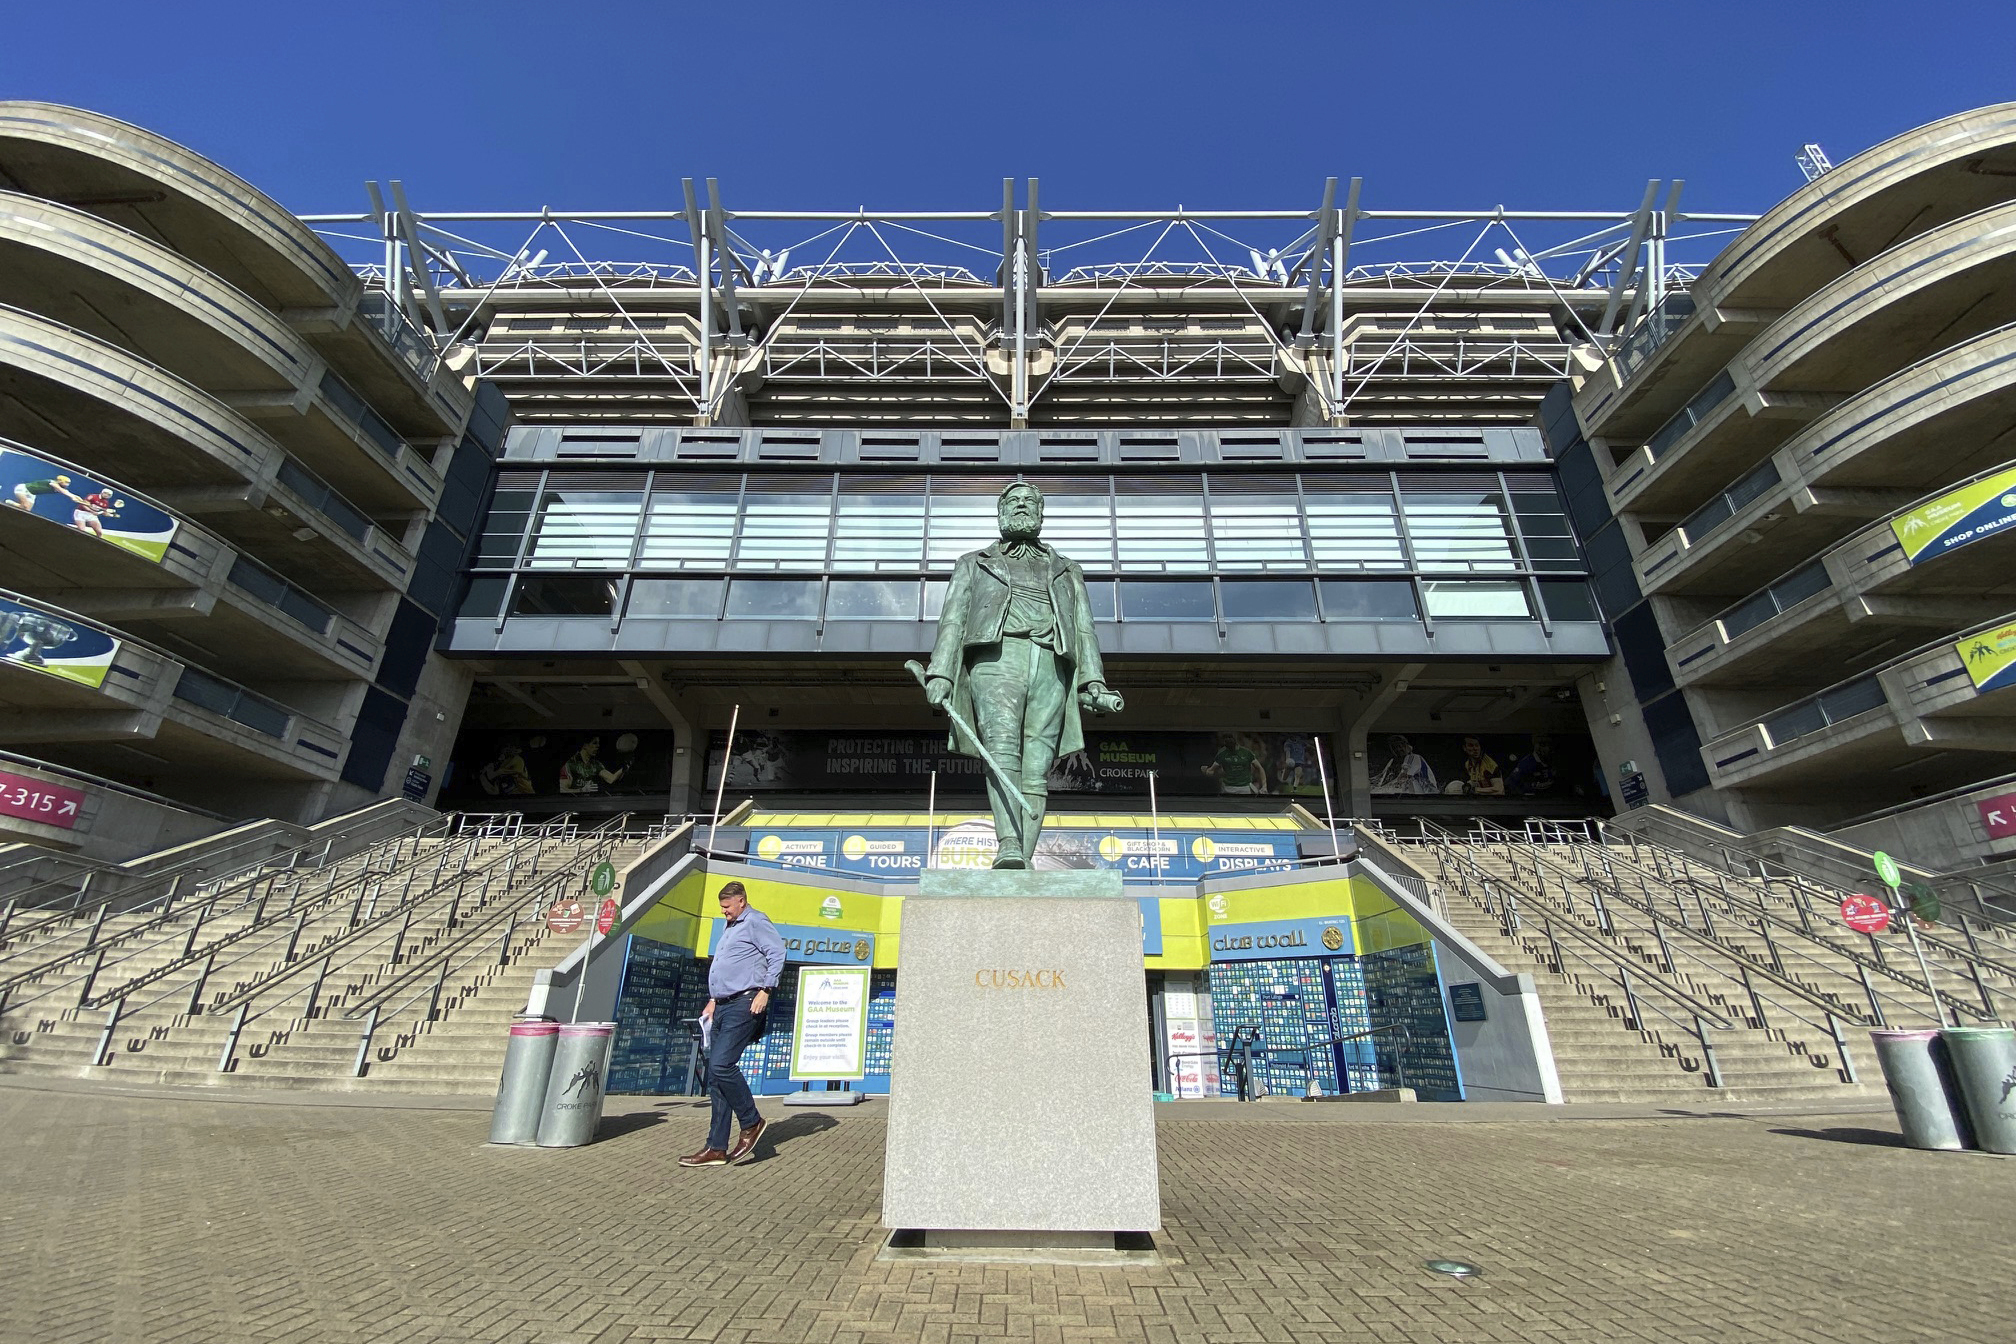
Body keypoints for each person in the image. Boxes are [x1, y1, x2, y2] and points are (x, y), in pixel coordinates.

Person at [923, 483, 1123, 868]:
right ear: (1000, 512)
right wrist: (941, 672)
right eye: (1012, 501)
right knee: (1001, 749)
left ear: (1040, 513)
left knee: (1037, 764)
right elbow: (953, 620)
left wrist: (1093, 682)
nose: (1020, 505)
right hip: (997, 658)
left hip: (1050, 660)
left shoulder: (1067, 568)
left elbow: (1084, 628)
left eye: (1029, 501)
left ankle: (1024, 857)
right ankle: (1008, 845)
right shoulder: (973, 563)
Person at [680, 881, 786, 1168]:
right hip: (723, 1005)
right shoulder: (730, 926)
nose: (724, 911)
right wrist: (713, 1000)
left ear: (741, 901)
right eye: (722, 907)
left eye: (727, 906)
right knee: (716, 1079)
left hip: (746, 1002)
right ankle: (716, 1147)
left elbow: (777, 953)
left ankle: (751, 1122)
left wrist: (766, 990)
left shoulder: (755, 921)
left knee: (722, 1065)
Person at [1370, 735, 1437, 796]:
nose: (1398, 750)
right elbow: (1381, 780)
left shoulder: (1413, 757)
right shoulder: (1392, 762)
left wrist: (1380, 790)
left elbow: (1403, 778)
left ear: (1407, 746)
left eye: (1400, 746)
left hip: (1427, 796)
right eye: (1394, 747)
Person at [1203, 732, 1268, 795]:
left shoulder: (1246, 753)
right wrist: (1206, 771)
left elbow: (1260, 768)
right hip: (1228, 789)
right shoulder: (1222, 754)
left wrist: (1264, 786)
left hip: (1245, 788)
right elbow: (1211, 771)